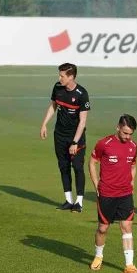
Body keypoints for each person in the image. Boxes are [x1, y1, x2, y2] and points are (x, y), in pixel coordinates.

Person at [88, 114, 137, 273]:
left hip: (125, 193)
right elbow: (92, 163)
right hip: (107, 194)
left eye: (130, 134)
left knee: (126, 227)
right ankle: (98, 256)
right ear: (117, 127)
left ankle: (130, 265)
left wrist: (131, 182)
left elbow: (133, 165)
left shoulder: (133, 146)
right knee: (103, 228)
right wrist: (96, 184)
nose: (128, 137)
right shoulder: (104, 144)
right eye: (125, 133)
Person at [39, 63, 90, 213]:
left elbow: (83, 121)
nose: (59, 78)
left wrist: (75, 142)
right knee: (63, 166)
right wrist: (44, 124)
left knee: (78, 167)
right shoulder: (57, 87)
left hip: (76, 137)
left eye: (62, 76)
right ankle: (68, 200)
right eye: (59, 75)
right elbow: (53, 106)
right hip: (59, 135)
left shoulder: (82, 94)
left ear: (71, 77)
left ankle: (79, 202)